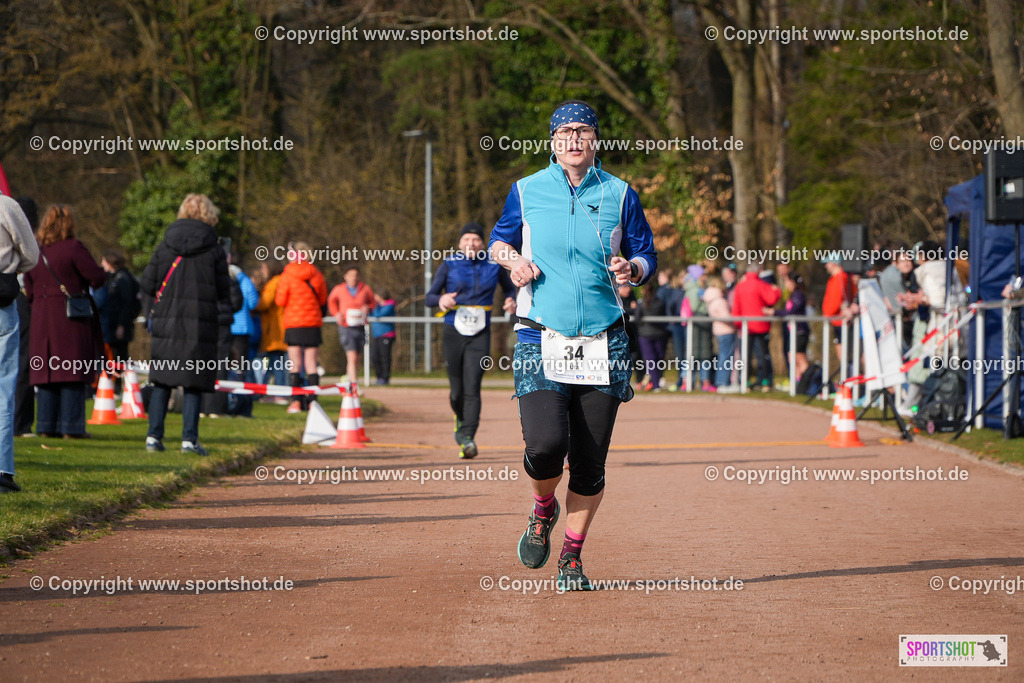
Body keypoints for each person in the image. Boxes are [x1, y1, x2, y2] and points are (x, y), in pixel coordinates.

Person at [489, 100, 657, 591]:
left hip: (604, 338)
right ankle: (543, 508)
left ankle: (571, 559)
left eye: (583, 131)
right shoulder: (526, 190)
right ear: (552, 142)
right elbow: (499, 241)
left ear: (596, 140)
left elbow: (645, 252)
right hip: (541, 334)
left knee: (589, 461)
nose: (574, 140)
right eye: (564, 133)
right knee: (544, 447)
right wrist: (514, 262)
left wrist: (634, 269)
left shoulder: (620, 193)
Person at [141, 194, 233, 455]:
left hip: (167, 322)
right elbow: (224, 290)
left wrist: (152, 313)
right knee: (194, 381)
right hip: (199, 323)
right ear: (208, 215)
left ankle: (153, 437)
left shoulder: (165, 245)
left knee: (161, 380)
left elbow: (148, 283)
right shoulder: (214, 249)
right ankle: (189, 440)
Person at [427, 222, 516, 457]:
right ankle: (461, 419)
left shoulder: (493, 264)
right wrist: (442, 299)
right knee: (457, 390)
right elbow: (430, 297)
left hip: (480, 332)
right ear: (459, 243)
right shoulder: (449, 264)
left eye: (475, 239)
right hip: (453, 330)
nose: (471, 243)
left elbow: (510, 289)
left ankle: (468, 437)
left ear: (482, 243)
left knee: (473, 385)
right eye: (466, 239)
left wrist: (511, 300)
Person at [24, 205, 106, 439]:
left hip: (41, 316)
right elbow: (96, 276)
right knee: (72, 371)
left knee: (47, 372)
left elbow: (28, 289)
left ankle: (46, 426)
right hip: (70, 316)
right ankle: (72, 427)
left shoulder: (35, 251)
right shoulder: (74, 248)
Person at [0, 193, 39, 493]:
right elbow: (31, 255)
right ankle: (2, 469)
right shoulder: (7, 206)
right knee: (3, 388)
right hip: (2, 298)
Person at [275, 242, 327, 413]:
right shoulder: (317, 274)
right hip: (312, 324)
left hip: (294, 325)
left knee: (295, 365)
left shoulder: (287, 275)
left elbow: (280, 301)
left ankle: (296, 402)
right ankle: (313, 402)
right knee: (311, 364)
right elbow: (322, 300)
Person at [731, 262, 780, 391]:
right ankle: (765, 382)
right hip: (761, 325)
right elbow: (771, 299)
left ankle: (745, 382)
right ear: (757, 271)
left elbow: (736, 308)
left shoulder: (740, 287)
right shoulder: (761, 285)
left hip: (746, 326)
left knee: (745, 355)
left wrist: (738, 324)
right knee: (763, 354)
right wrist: (776, 291)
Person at [13, 197, 38, 438]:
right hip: (18, 295)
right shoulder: (22, 226)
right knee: (23, 360)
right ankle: (20, 423)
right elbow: (31, 258)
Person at [328, 266, 374, 384]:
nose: (354, 278)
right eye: (351, 275)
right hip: (346, 326)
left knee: (356, 359)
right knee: (352, 357)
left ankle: (348, 379)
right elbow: (331, 301)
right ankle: (354, 386)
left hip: (360, 326)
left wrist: (368, 308)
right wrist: (336, 313)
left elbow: (372, 302)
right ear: (346, 277)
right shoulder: (339, 289)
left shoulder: (365, 289)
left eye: (356, 275)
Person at [98, 249, 140, 380]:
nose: (102, 264)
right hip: (113, 324)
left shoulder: (122, 279)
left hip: (119, 324)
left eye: (104, 261)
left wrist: (121, 325)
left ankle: (121, 385)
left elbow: (126, 304)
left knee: (120, 356)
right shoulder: (114, 277)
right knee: (115, 355)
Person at [228, 251, 259, 417]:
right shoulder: (244, 280)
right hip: (242, 328)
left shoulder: (220, 276)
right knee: (241, 369)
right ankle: (243, 405)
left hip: (226, 327)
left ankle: (227, 401)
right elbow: (254, 303)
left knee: (224, 368)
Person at [253, 259, 288, 395]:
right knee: (276, 363)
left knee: (276, 363)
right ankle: (274, 391)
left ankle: (278, 392)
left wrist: (253, 299)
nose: (262, 271)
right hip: (278, 329)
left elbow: (264, 303)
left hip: (275, 330)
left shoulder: (274, 283)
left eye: (264, 268)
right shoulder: (281, 281)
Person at [821, 252, 857, 374]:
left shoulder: (840, 278)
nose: (826, 266)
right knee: (843, 355)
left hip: (840, 322)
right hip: (837, 321)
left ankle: (847, 382)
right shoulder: (838, 278)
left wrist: (827, 315)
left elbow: (835, 301)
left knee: (845, 356)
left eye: (828, 263)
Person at [681, 265, 714, 391]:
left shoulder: (691, 288)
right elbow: (695, 307)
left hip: (696, 325)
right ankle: (694, 381)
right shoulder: (696, 290)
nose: (705, 277)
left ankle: (689, 381)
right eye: (703, 275)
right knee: (697, 353)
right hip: (698, 324)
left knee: (694, 353)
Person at [703, 276, 736, 391]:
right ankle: (723, 382)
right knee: (726, 358)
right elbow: (726, 317)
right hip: (726, 331)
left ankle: (721, 381)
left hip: (719, 331)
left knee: (722, 357)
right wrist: (736, 319)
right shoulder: (720, 300)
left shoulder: (710, 299)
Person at [777, 272, 810, 379]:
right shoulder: (793, 294)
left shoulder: (798, 294)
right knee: (792, 357)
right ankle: (798, 382)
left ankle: (807, 382)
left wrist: (774, 312)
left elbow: (790, 312)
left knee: (800, 358)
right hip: (794, 331)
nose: (786, 284)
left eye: (787, 281)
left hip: (800, 331)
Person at [656, 269, 685, 391]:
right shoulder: (676, 291)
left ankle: (658, 379)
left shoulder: (665, 291)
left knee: (662, 354)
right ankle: (679, 379)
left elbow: (664, 306)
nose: (659, 278)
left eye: (661, 276)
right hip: (673, 325)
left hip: (668, 326)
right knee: (679, 354)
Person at [636, 279, 668, 391]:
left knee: (651, 360)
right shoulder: (660, 302)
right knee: (658, 359)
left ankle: (656, 384)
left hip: (645, 335)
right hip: (660, 334)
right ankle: (656, 381)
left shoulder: (641, 303)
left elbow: (637, 318)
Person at [370, 290, 396, 385]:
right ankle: (379, 377)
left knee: (385, 357)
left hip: (387, 335)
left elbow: (378, 315)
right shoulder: (377, 306)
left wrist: (375, 307)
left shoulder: (389, 305)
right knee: (374, 356)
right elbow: (370, 315)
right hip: (377, 336)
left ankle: (385, 378)